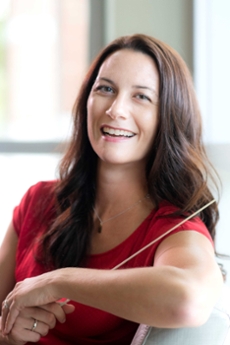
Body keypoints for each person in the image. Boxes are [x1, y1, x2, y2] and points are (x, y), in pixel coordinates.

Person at [0, 34, 223, 345]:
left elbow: (189, 300)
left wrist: (59, 281)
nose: (116, 109)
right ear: (86, 102)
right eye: (106, 89)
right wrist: (6, 335)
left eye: (141, 96)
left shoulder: (174, 229)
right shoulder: (38, 201)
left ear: (168, 117)